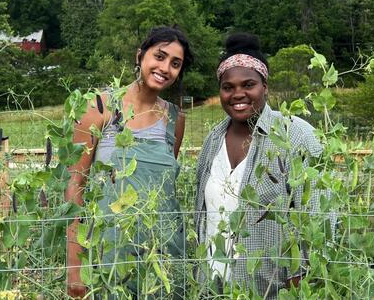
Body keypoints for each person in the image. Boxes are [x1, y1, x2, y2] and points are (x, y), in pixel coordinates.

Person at [66, 26, 193, 298]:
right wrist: (75, 267)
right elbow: (75, 185)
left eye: (175, 64)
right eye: (159, 56)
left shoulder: (174, 119)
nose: (165, 67)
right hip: (109, 252)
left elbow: (163, 187)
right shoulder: (100, 107)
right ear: (140, 56)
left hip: (162, 255)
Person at [194, 33, 323, 299]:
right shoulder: (212, 140)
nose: (237, 94)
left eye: (248, 84)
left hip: (271, 289)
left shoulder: (294, 134)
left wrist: (302, 283)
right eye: (227, 87)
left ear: (265, 86)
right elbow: (201, 215)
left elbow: (317, 216)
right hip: (212, 287)